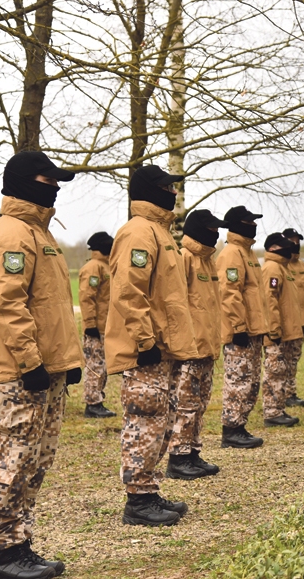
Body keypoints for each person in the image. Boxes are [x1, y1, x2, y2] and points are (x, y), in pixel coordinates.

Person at [0, 151, 84, 579]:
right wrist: (29, 362)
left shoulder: (39, 232)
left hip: (44, 367)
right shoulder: (13, 234)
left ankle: (20, 545)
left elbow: (50, 306)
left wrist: (65, 360)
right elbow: (6, 304)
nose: (55, 188)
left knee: (36, 460)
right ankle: (4, 555)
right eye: (48, 180)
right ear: (25, 181)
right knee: (14, 460)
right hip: (20, 372)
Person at [105, 165, 198, 526]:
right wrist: (145, 341)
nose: (172, 193)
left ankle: (149, 490)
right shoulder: (138, 232)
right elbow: (129, 292)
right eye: (166, 187)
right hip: (146, 350)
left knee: (160, 421)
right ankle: (138, 501)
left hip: (163, 348)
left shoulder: (160, 233)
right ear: (149, 190)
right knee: (144, 420)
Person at [165, 209, 226, 480]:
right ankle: (178, 457)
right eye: (212, 229)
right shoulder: (184, 258)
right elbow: (175, 304)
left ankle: (192, 452)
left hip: (206, 347)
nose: (216, 233)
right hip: (189, 349)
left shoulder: (208, 262)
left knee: (200, 403)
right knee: (185, 404)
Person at [217, 206, 268, 448]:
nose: (254, 225)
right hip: (240, 332)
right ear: (237, 225)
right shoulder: (232, 254)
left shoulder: (248, 253)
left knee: (251, 381)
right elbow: (229, 294)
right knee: (238, 380)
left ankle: (240, 426)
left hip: (253, 330)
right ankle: (231, 430)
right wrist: (238, 327)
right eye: (249, 222)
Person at [261, 233, 304, 427]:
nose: (290, 248)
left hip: (287, 332)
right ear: (273, 248)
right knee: (274, 371)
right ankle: (272, 413)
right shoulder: (272, 268)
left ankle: (278, 409)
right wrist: (274, 330)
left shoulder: (283, 267)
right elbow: (269, 301)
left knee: (282, 371)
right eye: (284, 245)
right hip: (277, 333)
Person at [78, 231, 117, 418]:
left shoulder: (106, 267)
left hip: (106, 327)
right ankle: (93, 404)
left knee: (102, 366)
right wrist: (90, 324)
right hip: (96, 328)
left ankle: (97, 399)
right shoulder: (93, 268)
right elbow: (87, 297)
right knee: (95, 366)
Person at [280, 227, 304, 408]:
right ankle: (279, 394)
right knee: (281, 361)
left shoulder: (303, 266)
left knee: (293, 360)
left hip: (301, 323)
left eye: (297, 241)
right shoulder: (280, 266)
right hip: (286, 323)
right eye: (292, 240)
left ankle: (290, 393)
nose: (295, 244)